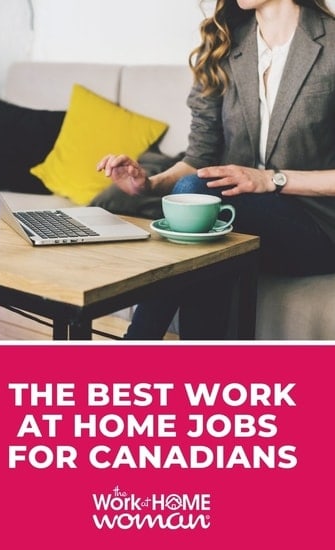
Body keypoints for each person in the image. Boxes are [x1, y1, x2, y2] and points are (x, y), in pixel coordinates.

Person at [97, 0, 335, 340]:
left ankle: (137, 345)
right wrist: (149, 184)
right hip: (236, 223)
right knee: (207, 235)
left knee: (202, 213)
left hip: (318, 228)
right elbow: (199, 160)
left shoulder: (331, 45)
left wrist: (271, 180)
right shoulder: (226, 45)